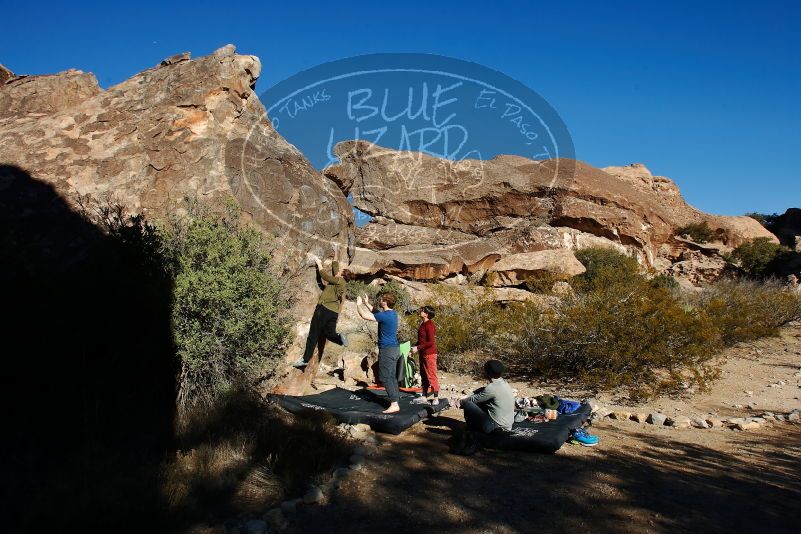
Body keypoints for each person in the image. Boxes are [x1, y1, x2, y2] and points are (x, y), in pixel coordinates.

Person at [293, 256, 350, 369]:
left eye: (340, 272)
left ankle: (305, 359)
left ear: (342, 275)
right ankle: (340, 338)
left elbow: (324, 276)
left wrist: (319, 264)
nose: (337, 272)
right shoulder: (341, 282)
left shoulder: (338, 280)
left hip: (324, 309)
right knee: (330, 334)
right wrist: (335, 255)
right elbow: (335, 269)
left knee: (313, 334)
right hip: (333, 313)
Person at [356, 292, 401, 414]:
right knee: (391, 376)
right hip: (394, 349)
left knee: (384, 377)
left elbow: (365, 316)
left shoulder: (386, 316)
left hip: (388, 350)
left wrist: (359, 305)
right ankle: (395, 399)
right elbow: (377, 313)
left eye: (381, 299)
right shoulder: (392, 314)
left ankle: (394, 403)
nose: (380, 300)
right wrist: (366, 303)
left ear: (385, 302)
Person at [456, 359, 515, 434]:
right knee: (480, 403)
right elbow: (482, 390)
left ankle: (472, 431)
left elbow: (472, 400)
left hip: (497, 428)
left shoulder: (491, 388)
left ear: (488, 373)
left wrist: (459, 401)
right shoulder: (504, 382)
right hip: (508, 425)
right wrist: (469, 394)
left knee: (468, 404)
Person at [411, 306, 439, 405]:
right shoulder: (422, 324)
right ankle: (424, 397)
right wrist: (414, 347)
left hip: (430, 354)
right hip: (423, 353)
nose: (420, 311)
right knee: (424, 375)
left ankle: (436, 398)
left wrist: (417, 348)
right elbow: (421, 340)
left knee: (432, 375)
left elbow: (431, 342)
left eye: (423, 311)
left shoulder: (430, 325)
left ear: (426, 314)